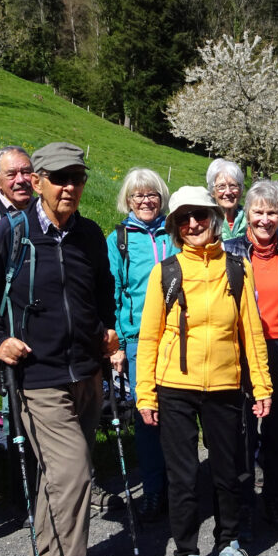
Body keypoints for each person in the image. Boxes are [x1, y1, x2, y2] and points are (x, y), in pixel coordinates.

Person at [0, 142, 118, 556]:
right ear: (40, 181)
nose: (69, 187)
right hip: (38, 378)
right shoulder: (13, 233)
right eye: (60, 178)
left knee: (59, 475)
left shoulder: (89, 234)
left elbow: (102, 289)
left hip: (86, 372)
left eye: (77, 178)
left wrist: (107, 330)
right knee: (73, 474)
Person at [136, 186, 272, 556]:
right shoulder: (167, 271)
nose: (193, 224)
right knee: (183, 478)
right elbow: (149, 337)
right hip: (175, 387)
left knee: (229, 473)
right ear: (176, 226)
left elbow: (251, 331)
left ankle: (228, 545)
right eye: (183, 218)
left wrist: (262, 384)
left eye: (199, 215)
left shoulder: (237, 268)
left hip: (226, 385)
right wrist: (145, 394)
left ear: (213, 217)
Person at [223, 180, 278, 536]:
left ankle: (275, 495)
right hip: (240, 353)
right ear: (247, 213)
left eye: (272, 212)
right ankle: (240, 501)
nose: (265, 219)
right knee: (241, 431)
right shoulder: (229, 250)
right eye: (258, 211)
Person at [107, 168, 176, 521]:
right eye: (138, 196)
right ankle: (153, 492)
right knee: (148, 417)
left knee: (178, 417)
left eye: (152, 194)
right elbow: (111, 294)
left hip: (178, 337)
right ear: (128, 200)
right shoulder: (118, 239)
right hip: (137, 341)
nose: (146, 201)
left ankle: (180, 488)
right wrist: (116, 344)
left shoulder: (175, 231)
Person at [206, 158, 246, 241]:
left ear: (241, 190)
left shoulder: (251, 219)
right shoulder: (205, 221)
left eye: (233, 186)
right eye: (221, 186)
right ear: (212, 192)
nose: (228, 192)